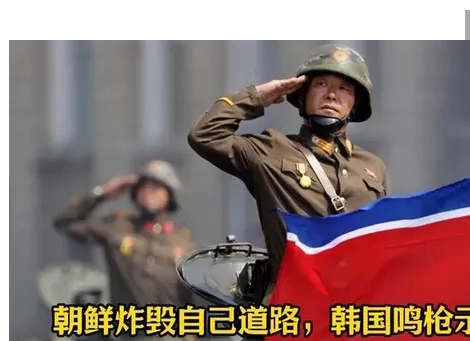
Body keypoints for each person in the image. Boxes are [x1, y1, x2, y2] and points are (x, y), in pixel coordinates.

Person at [187, 43, 388, 303]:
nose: (331, 95)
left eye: (344, 88)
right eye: (321, 84)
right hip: (293, 304)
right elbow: (204, 135)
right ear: (302, 95)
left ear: (355, 103)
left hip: (354, 308)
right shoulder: (272, 149)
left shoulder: (372, 167)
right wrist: (258, 97)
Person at [53, 159, 195, 308]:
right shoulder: (118, 225)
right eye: (143, 187)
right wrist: (102, 193)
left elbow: (192, 292)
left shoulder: (182, 239)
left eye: (156, 187)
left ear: (170, 195)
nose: (148, 192)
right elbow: (65, 222)